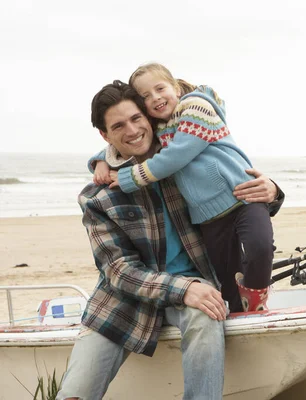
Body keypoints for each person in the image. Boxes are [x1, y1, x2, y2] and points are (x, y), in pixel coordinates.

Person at [57, 80, 283, 400]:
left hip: (198, 288)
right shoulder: (97, 197)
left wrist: (272, 191)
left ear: (149, 118)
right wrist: (182, 288)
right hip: (124, 302)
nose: (133, 130)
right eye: (118, 126)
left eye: (137, 119)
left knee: (208, 315)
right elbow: (119, 271)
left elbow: (231, 196)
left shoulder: (181, 159)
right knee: (74, 394)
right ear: (105, 137)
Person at [91, 63, 274, 312]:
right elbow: (124, 139)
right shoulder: (161, 129)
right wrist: (100, 160)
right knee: (226, 275)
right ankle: (240, 312)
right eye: (145, 96)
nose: (155, 98)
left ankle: (256, 303)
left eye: (160, 88)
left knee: (259, 248)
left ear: (176, 88)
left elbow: (177, 154)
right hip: (207, 217)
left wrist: (273, 189)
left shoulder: (196, 107)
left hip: (241, 197)